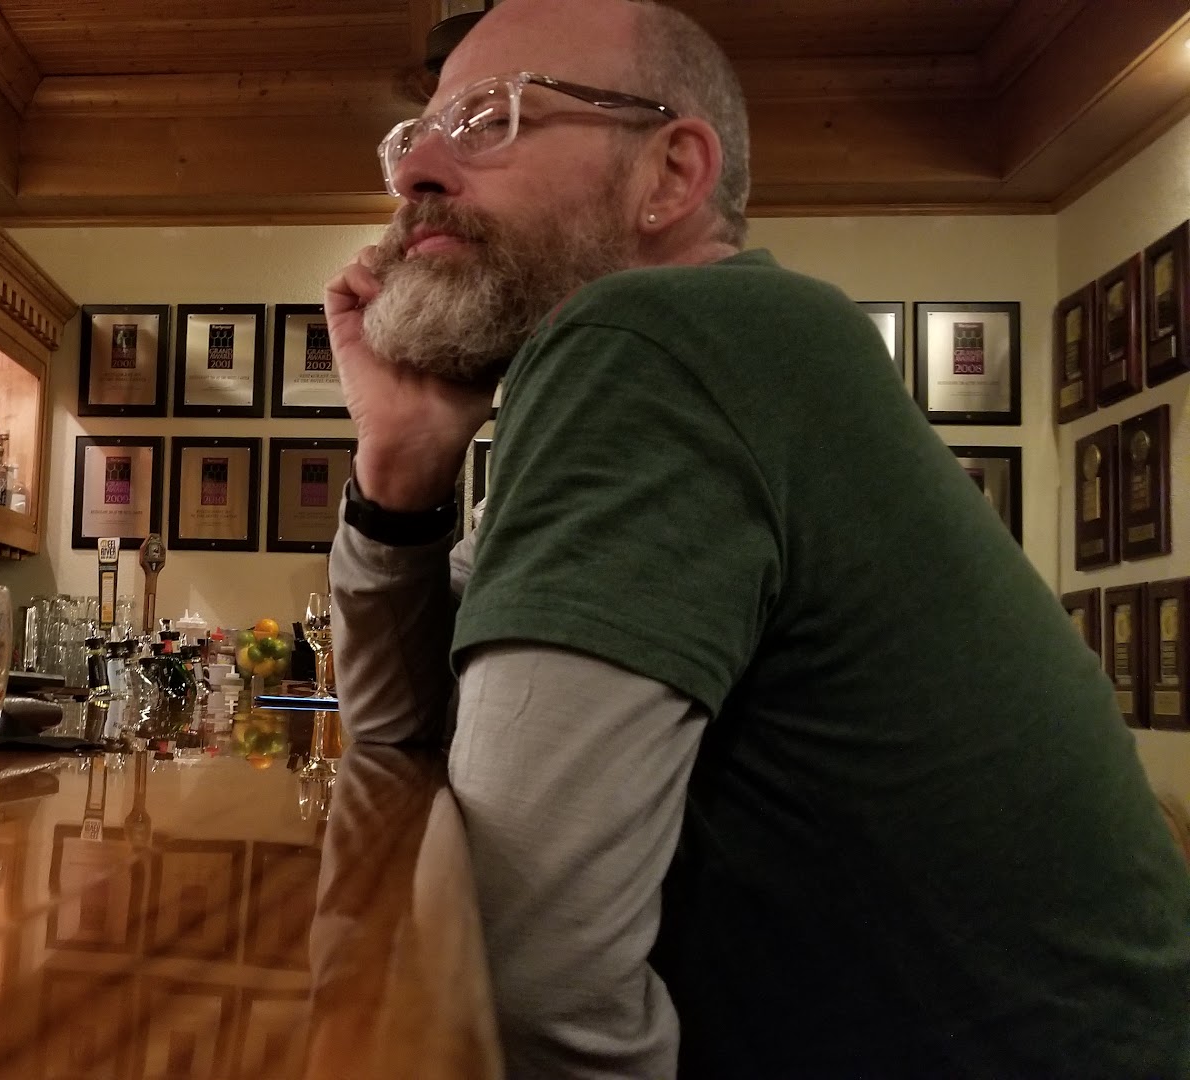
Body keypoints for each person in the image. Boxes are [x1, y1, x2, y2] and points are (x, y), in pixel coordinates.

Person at [324, 0, 1190, 1076]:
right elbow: (398, 736)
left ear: (671, 174)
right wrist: (400, 474)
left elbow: (531, 981)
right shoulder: (702, 356)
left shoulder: (655, 344)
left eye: (492, 118)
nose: (415, 172)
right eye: (416, 135)